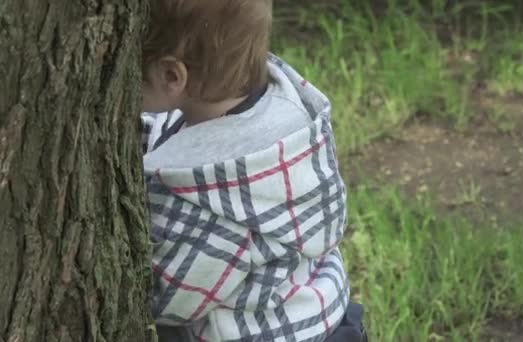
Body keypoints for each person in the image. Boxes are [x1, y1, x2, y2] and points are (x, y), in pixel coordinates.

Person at [140, 1, 366, 341]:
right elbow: (166, 127)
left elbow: (169, 300)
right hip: (323, 308)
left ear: (173, 76)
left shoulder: (210, 198)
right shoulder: (287, 112)